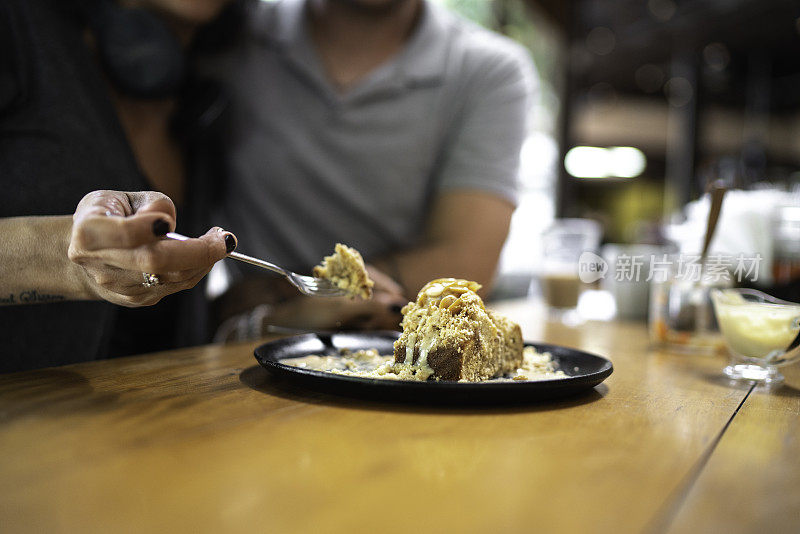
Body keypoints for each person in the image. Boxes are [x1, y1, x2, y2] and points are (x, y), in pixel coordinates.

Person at [204, 0, 536, 336]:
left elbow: (465, 265)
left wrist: (280, 293)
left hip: (399, 354)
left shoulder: (487, 69)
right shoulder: (230, 34)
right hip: (247, 351)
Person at [0, 0, 237, 372]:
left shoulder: (211, 96)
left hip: (152, 422)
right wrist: (63, 258)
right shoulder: (16, 24)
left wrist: (273, 303)